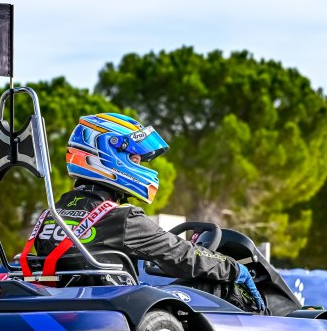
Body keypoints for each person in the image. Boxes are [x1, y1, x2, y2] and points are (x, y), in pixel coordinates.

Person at [25, 113, 265, 312]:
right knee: (219, 285)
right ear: (109, 156)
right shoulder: (121, 218)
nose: (139, 166)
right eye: (135, 158)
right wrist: (235, 268)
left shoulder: (52, 213)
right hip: (116, 308)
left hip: (68, 305)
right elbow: (183, 256)